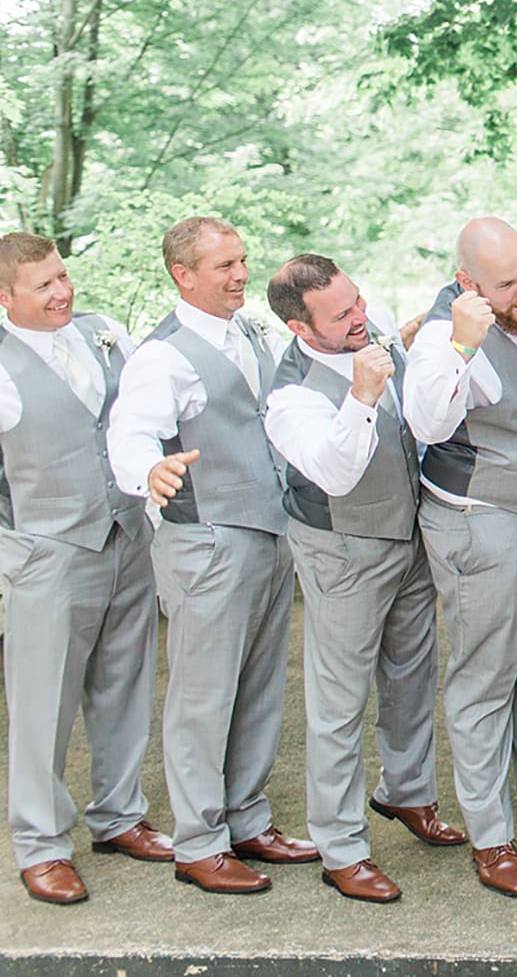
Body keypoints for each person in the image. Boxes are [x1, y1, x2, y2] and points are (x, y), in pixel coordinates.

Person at [107, 216, 317, 895]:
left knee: (258, 689)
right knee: (202, 698)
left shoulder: (250, 333)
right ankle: (199, 843)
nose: (239, 275)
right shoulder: (161, 356)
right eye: (223, 265)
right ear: (183, 274)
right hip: (205, 544)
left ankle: (247, 818)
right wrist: (150, 474)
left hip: (265, 534)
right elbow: (132, 433)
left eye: (242, 261)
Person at [263, 255, 464, 904]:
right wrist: (362, 393)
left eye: (357, 300)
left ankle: (406, 793)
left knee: (411, 675)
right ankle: (341, 847)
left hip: (406, 534)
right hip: (342, 549)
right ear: (299, 324)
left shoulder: (369, 333)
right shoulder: (290, 394)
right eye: (341, 312)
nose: (359, 316)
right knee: (338, 700)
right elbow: (335, 471)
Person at [403, 217, 517, 897]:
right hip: (486, 526)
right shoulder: (442, 336)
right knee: (484, 682)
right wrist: (459, 343)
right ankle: (491, 835)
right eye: (506, 282)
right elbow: (425, 421)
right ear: (467, 284)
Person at [0, 234, 168, 905]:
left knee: (125, 686)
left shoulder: (106, 335)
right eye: (41, 286)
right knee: (43, 706)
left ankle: (119, 815)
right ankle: (41, 845)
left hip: (127, 537)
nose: (61, 291)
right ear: (5, 297)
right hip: (50, 554)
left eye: (61, 276)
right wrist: (17, 555)